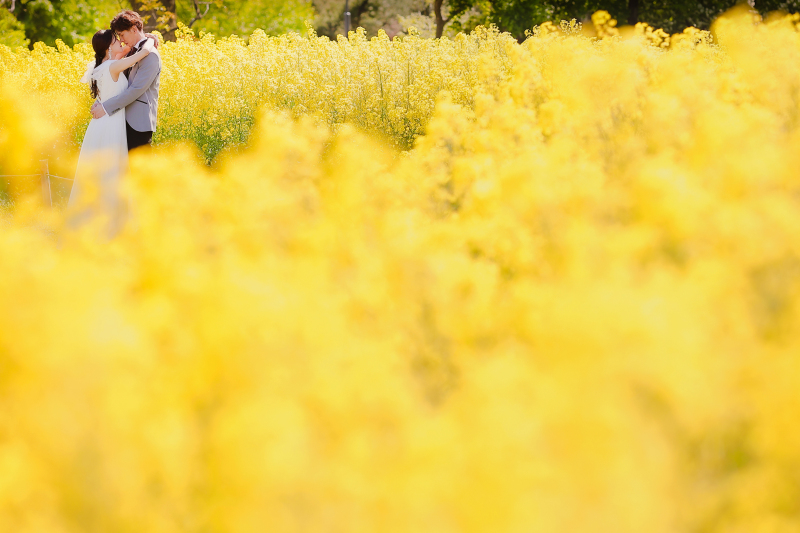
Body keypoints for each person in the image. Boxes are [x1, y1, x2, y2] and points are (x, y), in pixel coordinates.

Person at [67, 29, 155, 237]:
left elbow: (121, 55)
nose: (121, 43)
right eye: (116, 41)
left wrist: (119, 49)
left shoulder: (100, 67)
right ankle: (110, 229)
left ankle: (94, 225)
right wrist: (149, 40)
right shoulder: (113, 66)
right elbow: (142, 54)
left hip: (100, 125)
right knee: (111, 173)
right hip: (110, 123)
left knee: (100, 174)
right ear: (108, 47)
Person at [91, 10, 162, 152]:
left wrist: (105, 107)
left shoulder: (151, 55)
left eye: (122, 35)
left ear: (134, 29)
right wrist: (100, 99)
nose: (121, 40)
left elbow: (136, 89)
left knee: (140, 169)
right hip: (120, 118)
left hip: (138, 122)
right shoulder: (132, 50)